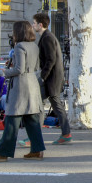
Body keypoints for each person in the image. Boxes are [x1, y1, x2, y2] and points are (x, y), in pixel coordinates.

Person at [0, 21, 45, 162]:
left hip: (20, 86)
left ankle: (2, 152)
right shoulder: (34, 46)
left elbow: (19, 69)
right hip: (32, 83)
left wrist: (6, 72)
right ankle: (37, 150)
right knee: (32, 120)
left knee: (12, 119)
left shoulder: (19, 46)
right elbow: (35, 66)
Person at [30, 13, 70, 145]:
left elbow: (51, 59)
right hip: (52, 78)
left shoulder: (47, 37)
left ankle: (36, 137)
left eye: (34, 23)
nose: (33, 25)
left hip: (51, 79)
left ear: (40, 25)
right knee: (44, 106)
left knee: (43, 106)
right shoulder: (46, 36)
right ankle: (65, 134)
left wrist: (42, 76)